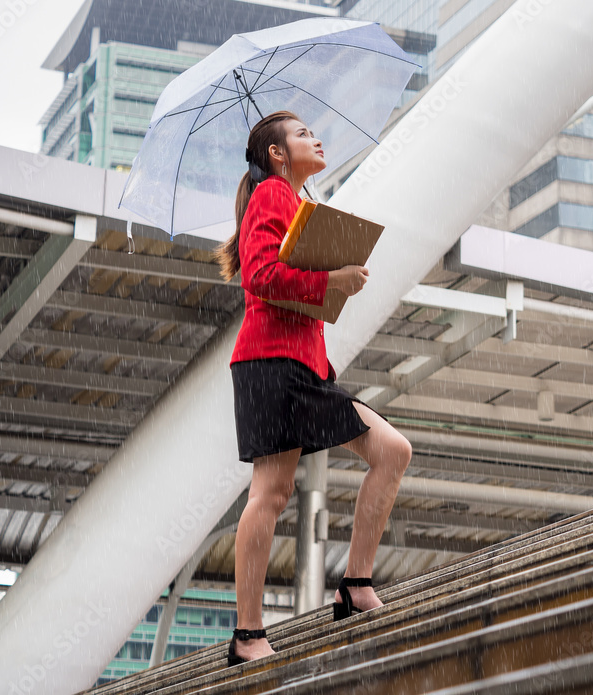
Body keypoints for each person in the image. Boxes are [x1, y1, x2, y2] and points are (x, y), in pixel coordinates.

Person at [212, 110, 413, 667]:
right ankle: (248, 636)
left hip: (304, 367)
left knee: (392, 451)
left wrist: (334, 282)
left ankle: (354, 584)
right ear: (277, 154)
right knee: (270, 494)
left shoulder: (300, 206)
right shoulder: (272, 196)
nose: (315, 137)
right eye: (302, 134)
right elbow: (260, 278)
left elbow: (286, 284)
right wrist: (331, 280)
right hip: (269, 364)